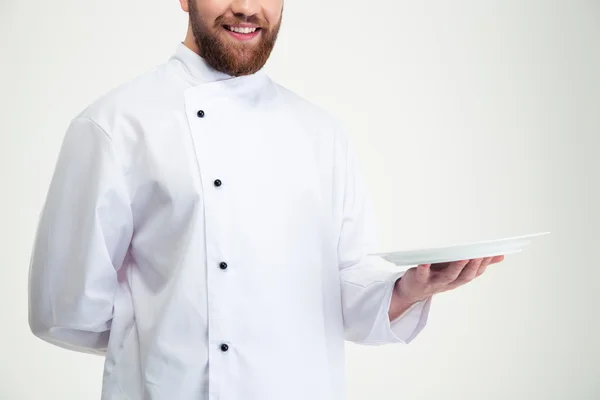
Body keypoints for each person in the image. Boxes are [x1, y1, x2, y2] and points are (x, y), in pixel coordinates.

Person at [27, 1, 505, 399]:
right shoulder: (115, 125)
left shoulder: (322, 132)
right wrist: (169, 338)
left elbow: (346, 283)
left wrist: (407, 290)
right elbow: (66, 308)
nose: (247, 8)